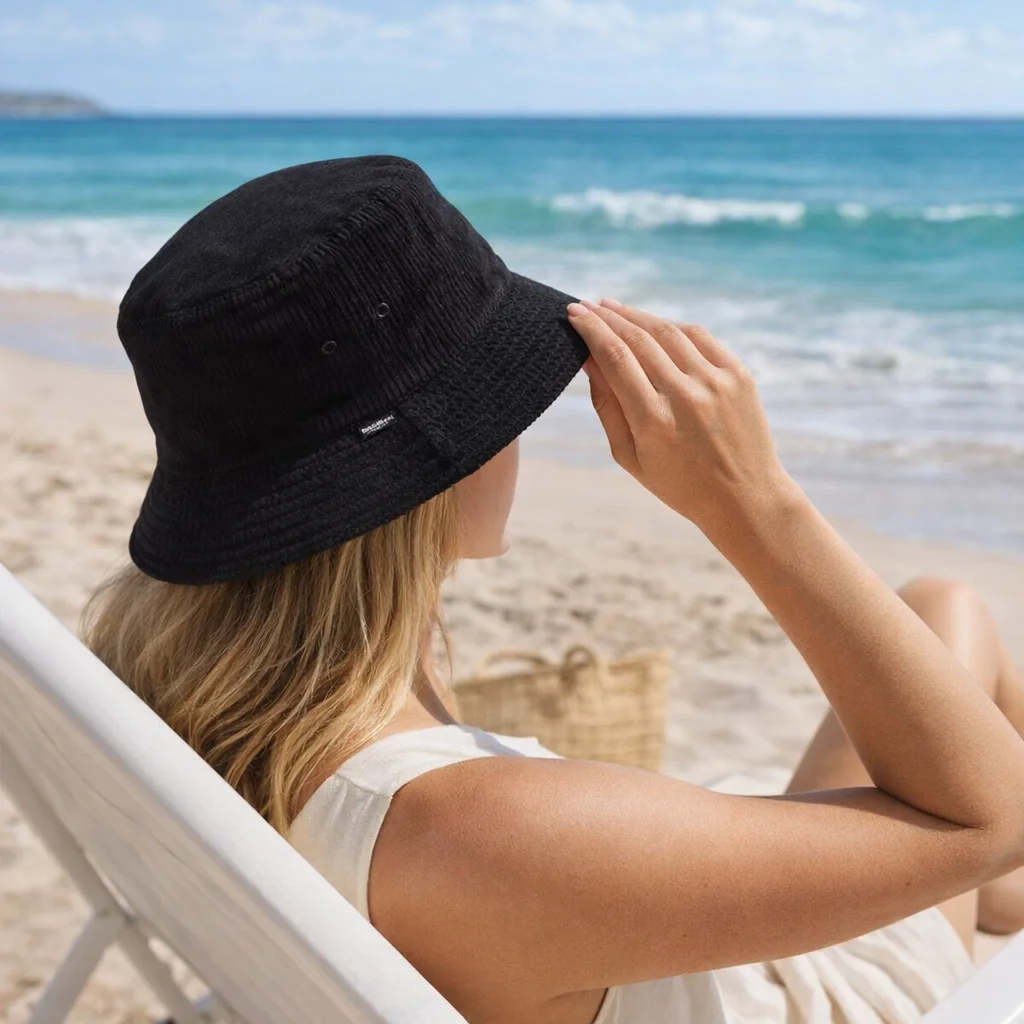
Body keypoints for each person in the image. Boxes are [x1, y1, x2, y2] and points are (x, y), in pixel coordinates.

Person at [85, 156, 1024, 1024]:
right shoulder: (492, 832)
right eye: (500, 397)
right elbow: (991, 818)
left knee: (940, 610)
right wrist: (754, 501)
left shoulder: (177, 684)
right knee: (950, 611)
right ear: (432, 473)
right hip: (809, 998)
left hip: (585, 923)